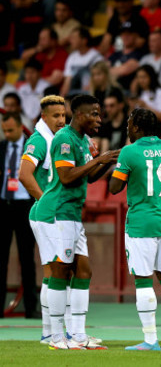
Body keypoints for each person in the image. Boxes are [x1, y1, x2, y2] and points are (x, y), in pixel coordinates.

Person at [30, 94, 119, 350]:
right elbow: (66, 177)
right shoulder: (64, 139)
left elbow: (89, 178)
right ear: (79, 115)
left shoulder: (84, 141)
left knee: (83, 271)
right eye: (95, 114)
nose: (99, 119)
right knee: (60, 270)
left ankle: (78, 336)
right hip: (56, 212)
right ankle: (57, 337)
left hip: (71, 214)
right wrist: (98, 161)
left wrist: (109, 162)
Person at [109, 108, 161, 351]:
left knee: (143, 281)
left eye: (129, 125)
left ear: (136, 128)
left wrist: (120, 167)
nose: (127, 129)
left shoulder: (130, 151)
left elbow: (114, 187)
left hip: (140, 223)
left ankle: (151, 340)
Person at [18, 95, 66, 339]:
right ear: (44, 117)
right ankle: (51, 333)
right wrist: (44, 201)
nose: (60, 120)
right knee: (54, 271)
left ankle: (53, 332)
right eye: (55, 116)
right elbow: (24, 174)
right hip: (47, 213)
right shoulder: (38, 140)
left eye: (63, 115)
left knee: (55, 270)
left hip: (54, 212)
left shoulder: (57, 139)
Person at [0, 113, 37, 320]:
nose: (7, 134)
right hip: (4, 205)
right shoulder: (2, 147)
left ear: (20, 127)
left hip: (25, 206)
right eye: (4, 130)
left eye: (10, 130)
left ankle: (31, 308)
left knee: (27, 258)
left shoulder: (31, 147)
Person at [61, 28, 103, 97]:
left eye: (74, 38)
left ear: (84, 41)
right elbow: (67, 82)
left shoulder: (96, 57)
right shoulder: (72, 57)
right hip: (72, 95)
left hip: (89, 95)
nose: (71, 41)